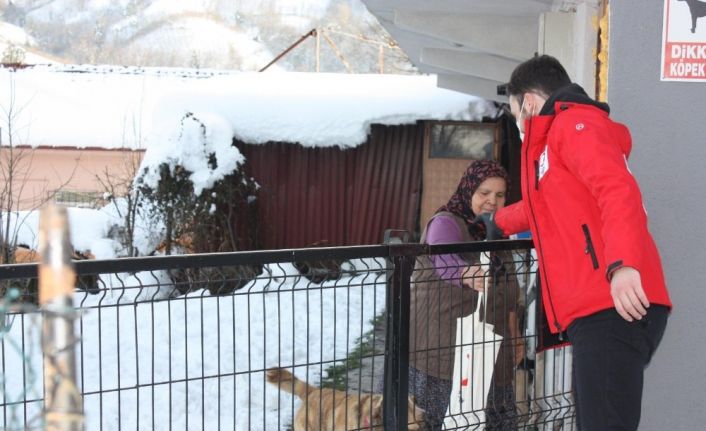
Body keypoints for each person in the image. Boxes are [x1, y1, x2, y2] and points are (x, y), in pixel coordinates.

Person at [478, 55, 672, 430]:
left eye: (516, 113)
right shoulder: (556, 144)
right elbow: (540, 207)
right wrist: (495, 223)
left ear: (530, 102)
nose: (519, 124)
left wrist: (623, 265)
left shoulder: (575, 124)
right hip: (598, 308)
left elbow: (618, 192)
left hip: (611, 304)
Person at [405, 160, 524, 430]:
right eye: (484, 193)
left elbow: (509, 293)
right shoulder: (445, 222)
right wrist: (465, 273)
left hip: (491, 354)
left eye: (500, 195)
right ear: (469, 189)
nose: (492, 201)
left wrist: (515, 335)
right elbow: (444, 258)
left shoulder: (498, 234)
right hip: (440, 354)